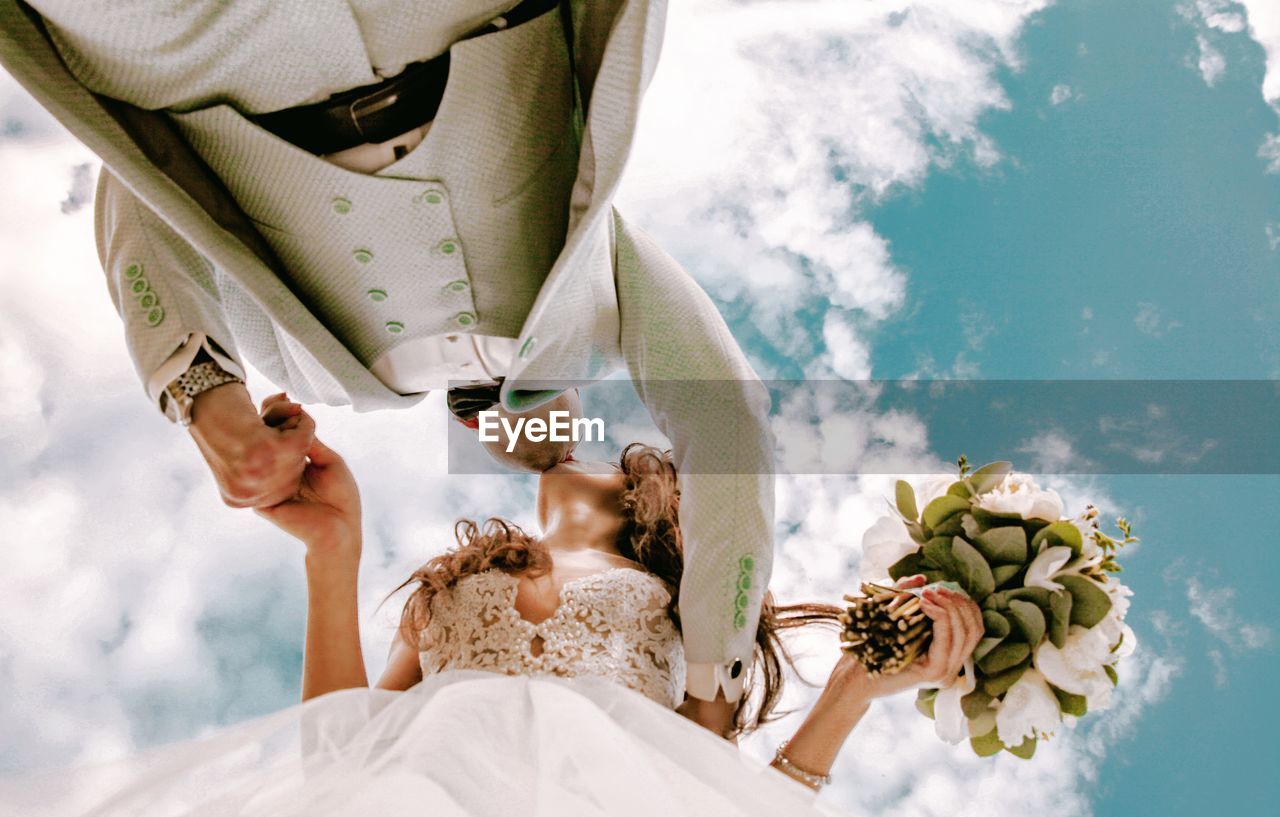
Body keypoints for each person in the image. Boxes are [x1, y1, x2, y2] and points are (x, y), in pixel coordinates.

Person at [0, 0, 775, 731]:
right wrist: (713, 694)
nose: (549, 451)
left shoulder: (317, 375)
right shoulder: (591, 290)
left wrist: (205, 397)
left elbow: (154, 182)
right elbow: (726, 420)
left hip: (189, 51)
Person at [0, 405, 984, 817]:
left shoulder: (686, 606)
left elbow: (717, 807)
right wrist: (332, 549)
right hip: (408, 806)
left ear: (649, 496)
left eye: (596, 456)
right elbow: (338, 751)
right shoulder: (446, 591)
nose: (567, 456)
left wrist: (853, 690)